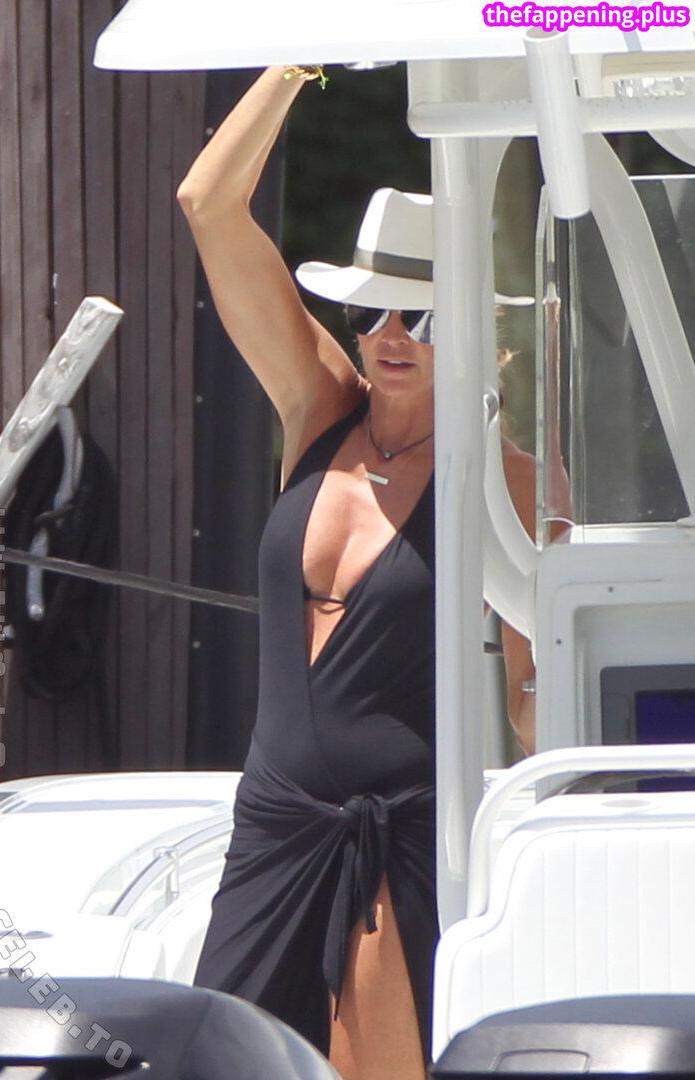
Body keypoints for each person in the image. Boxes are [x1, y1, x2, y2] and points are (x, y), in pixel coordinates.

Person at [177, 65, 539, 1080]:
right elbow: (207, 204)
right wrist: (296, 59)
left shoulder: (506, 474)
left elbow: (533, 687)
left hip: (399, 838)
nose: (390, 337)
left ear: (475, 325)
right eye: (373, 311)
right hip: (273, 821)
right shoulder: (319, 408)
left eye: (419, 317)